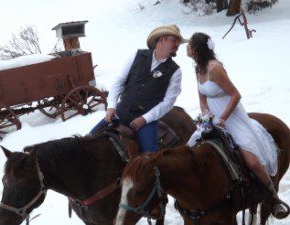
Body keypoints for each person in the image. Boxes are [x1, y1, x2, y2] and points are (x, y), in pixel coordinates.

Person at [186, 32, 289, 219]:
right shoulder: (198, 70)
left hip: (231, 117)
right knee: (190, 150)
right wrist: (206, 115)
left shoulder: (214, 69)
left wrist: (222, 118)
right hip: (212, 118)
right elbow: (202, 97)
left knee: (253, 162)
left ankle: (274, 199)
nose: (187, 47)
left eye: (190, 44)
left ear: (196, 49)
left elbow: (235, 95)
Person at [89, 25, 187, 153]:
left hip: (145, 121)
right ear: (162, 40)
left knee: (149, 158)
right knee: (88, 139)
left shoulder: (175, 71)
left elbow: (168, 102)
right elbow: (119, 81)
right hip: (120, 113)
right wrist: (111, 106)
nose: (177, 45)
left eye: (178, 42)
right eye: (174, 41)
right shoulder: (138, 55)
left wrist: (145, 119)